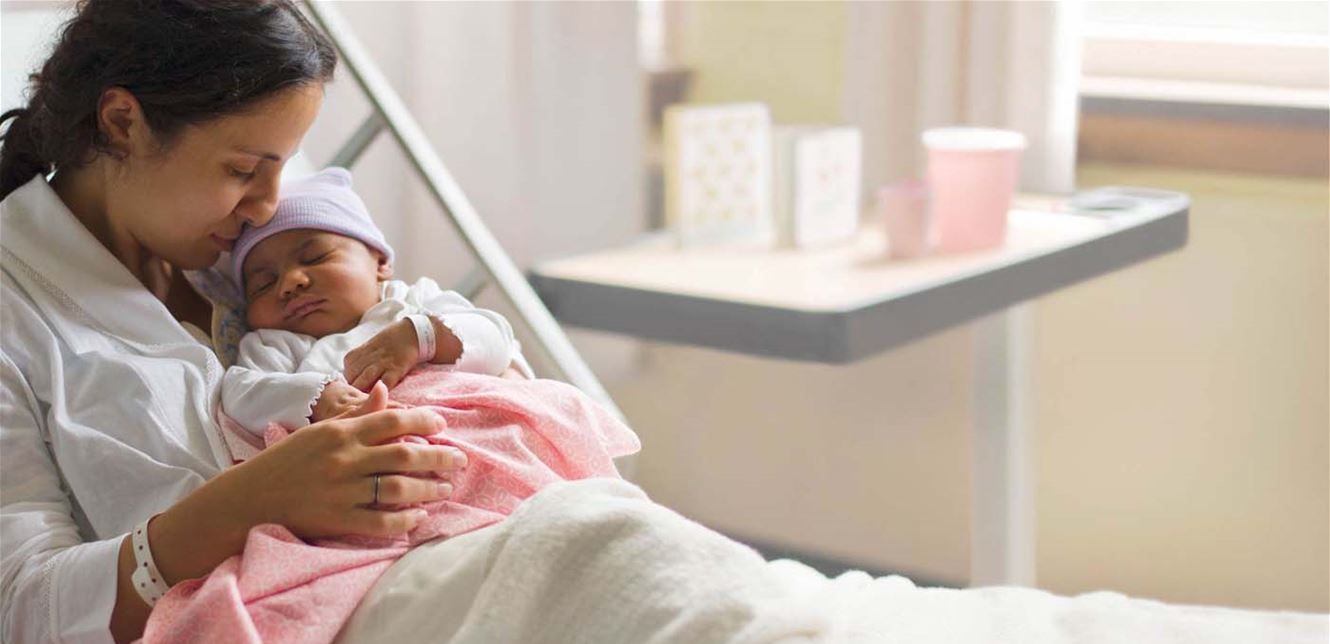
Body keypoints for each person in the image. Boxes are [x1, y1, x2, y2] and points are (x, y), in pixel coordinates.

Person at [0, 3, 465, 642]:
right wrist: (245, 505)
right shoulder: (17, 305)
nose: (268, 206)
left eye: (283, 167)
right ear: (122, 123)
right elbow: (21, 607)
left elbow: (409, 320)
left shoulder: (261, 255)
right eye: (244, 170)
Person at [220, 166, 533, 437]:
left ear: (380, 262)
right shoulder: (275, 345)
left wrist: (422, 336)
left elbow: (497, 340)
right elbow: (242, 394)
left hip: (479, 428)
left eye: (315, 257)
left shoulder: (414, 299)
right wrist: (316, 398)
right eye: (263, 284)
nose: (290, 283)